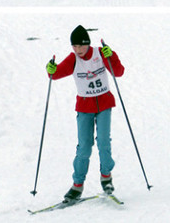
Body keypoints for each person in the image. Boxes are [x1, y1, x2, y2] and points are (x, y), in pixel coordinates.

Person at [46, 25, 124, 202]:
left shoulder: (100, 54)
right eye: (74, 46)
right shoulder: (73, 59)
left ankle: (106, 178)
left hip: (104, 103)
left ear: (88, 44)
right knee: (84, 147)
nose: (78, 50)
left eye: (81, 46)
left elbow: (118, 72)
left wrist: (111, 56)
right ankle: (77, 186)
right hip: (84, 107)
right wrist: (50, 69)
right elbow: (56, 74)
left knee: (104, 141)